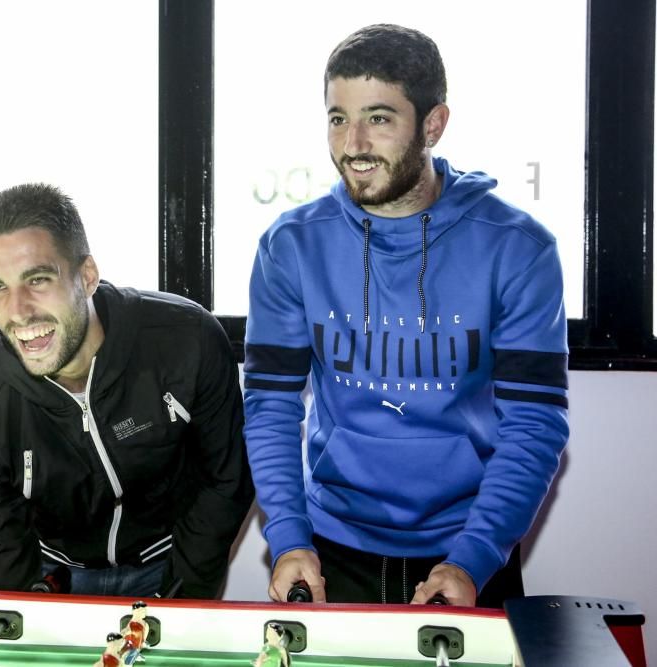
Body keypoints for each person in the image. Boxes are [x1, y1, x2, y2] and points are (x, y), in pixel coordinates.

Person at [242, 24, 569, 608]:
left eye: (379, 118)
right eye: (338, 118)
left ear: (433, 124)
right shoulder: (290, 246)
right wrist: (288, 535)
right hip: (328, 548)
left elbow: (535, 425)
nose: (353, 143)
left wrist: (473, 558)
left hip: (467, 549)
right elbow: (270, 407)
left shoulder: (518, 248)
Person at [0, 183, 254, 599]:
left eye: (37, 279)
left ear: (87, 276)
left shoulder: (188, 340)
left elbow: (224, 479)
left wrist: (183, 597)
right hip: (53, 577)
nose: (17, 310)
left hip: (172, 562)